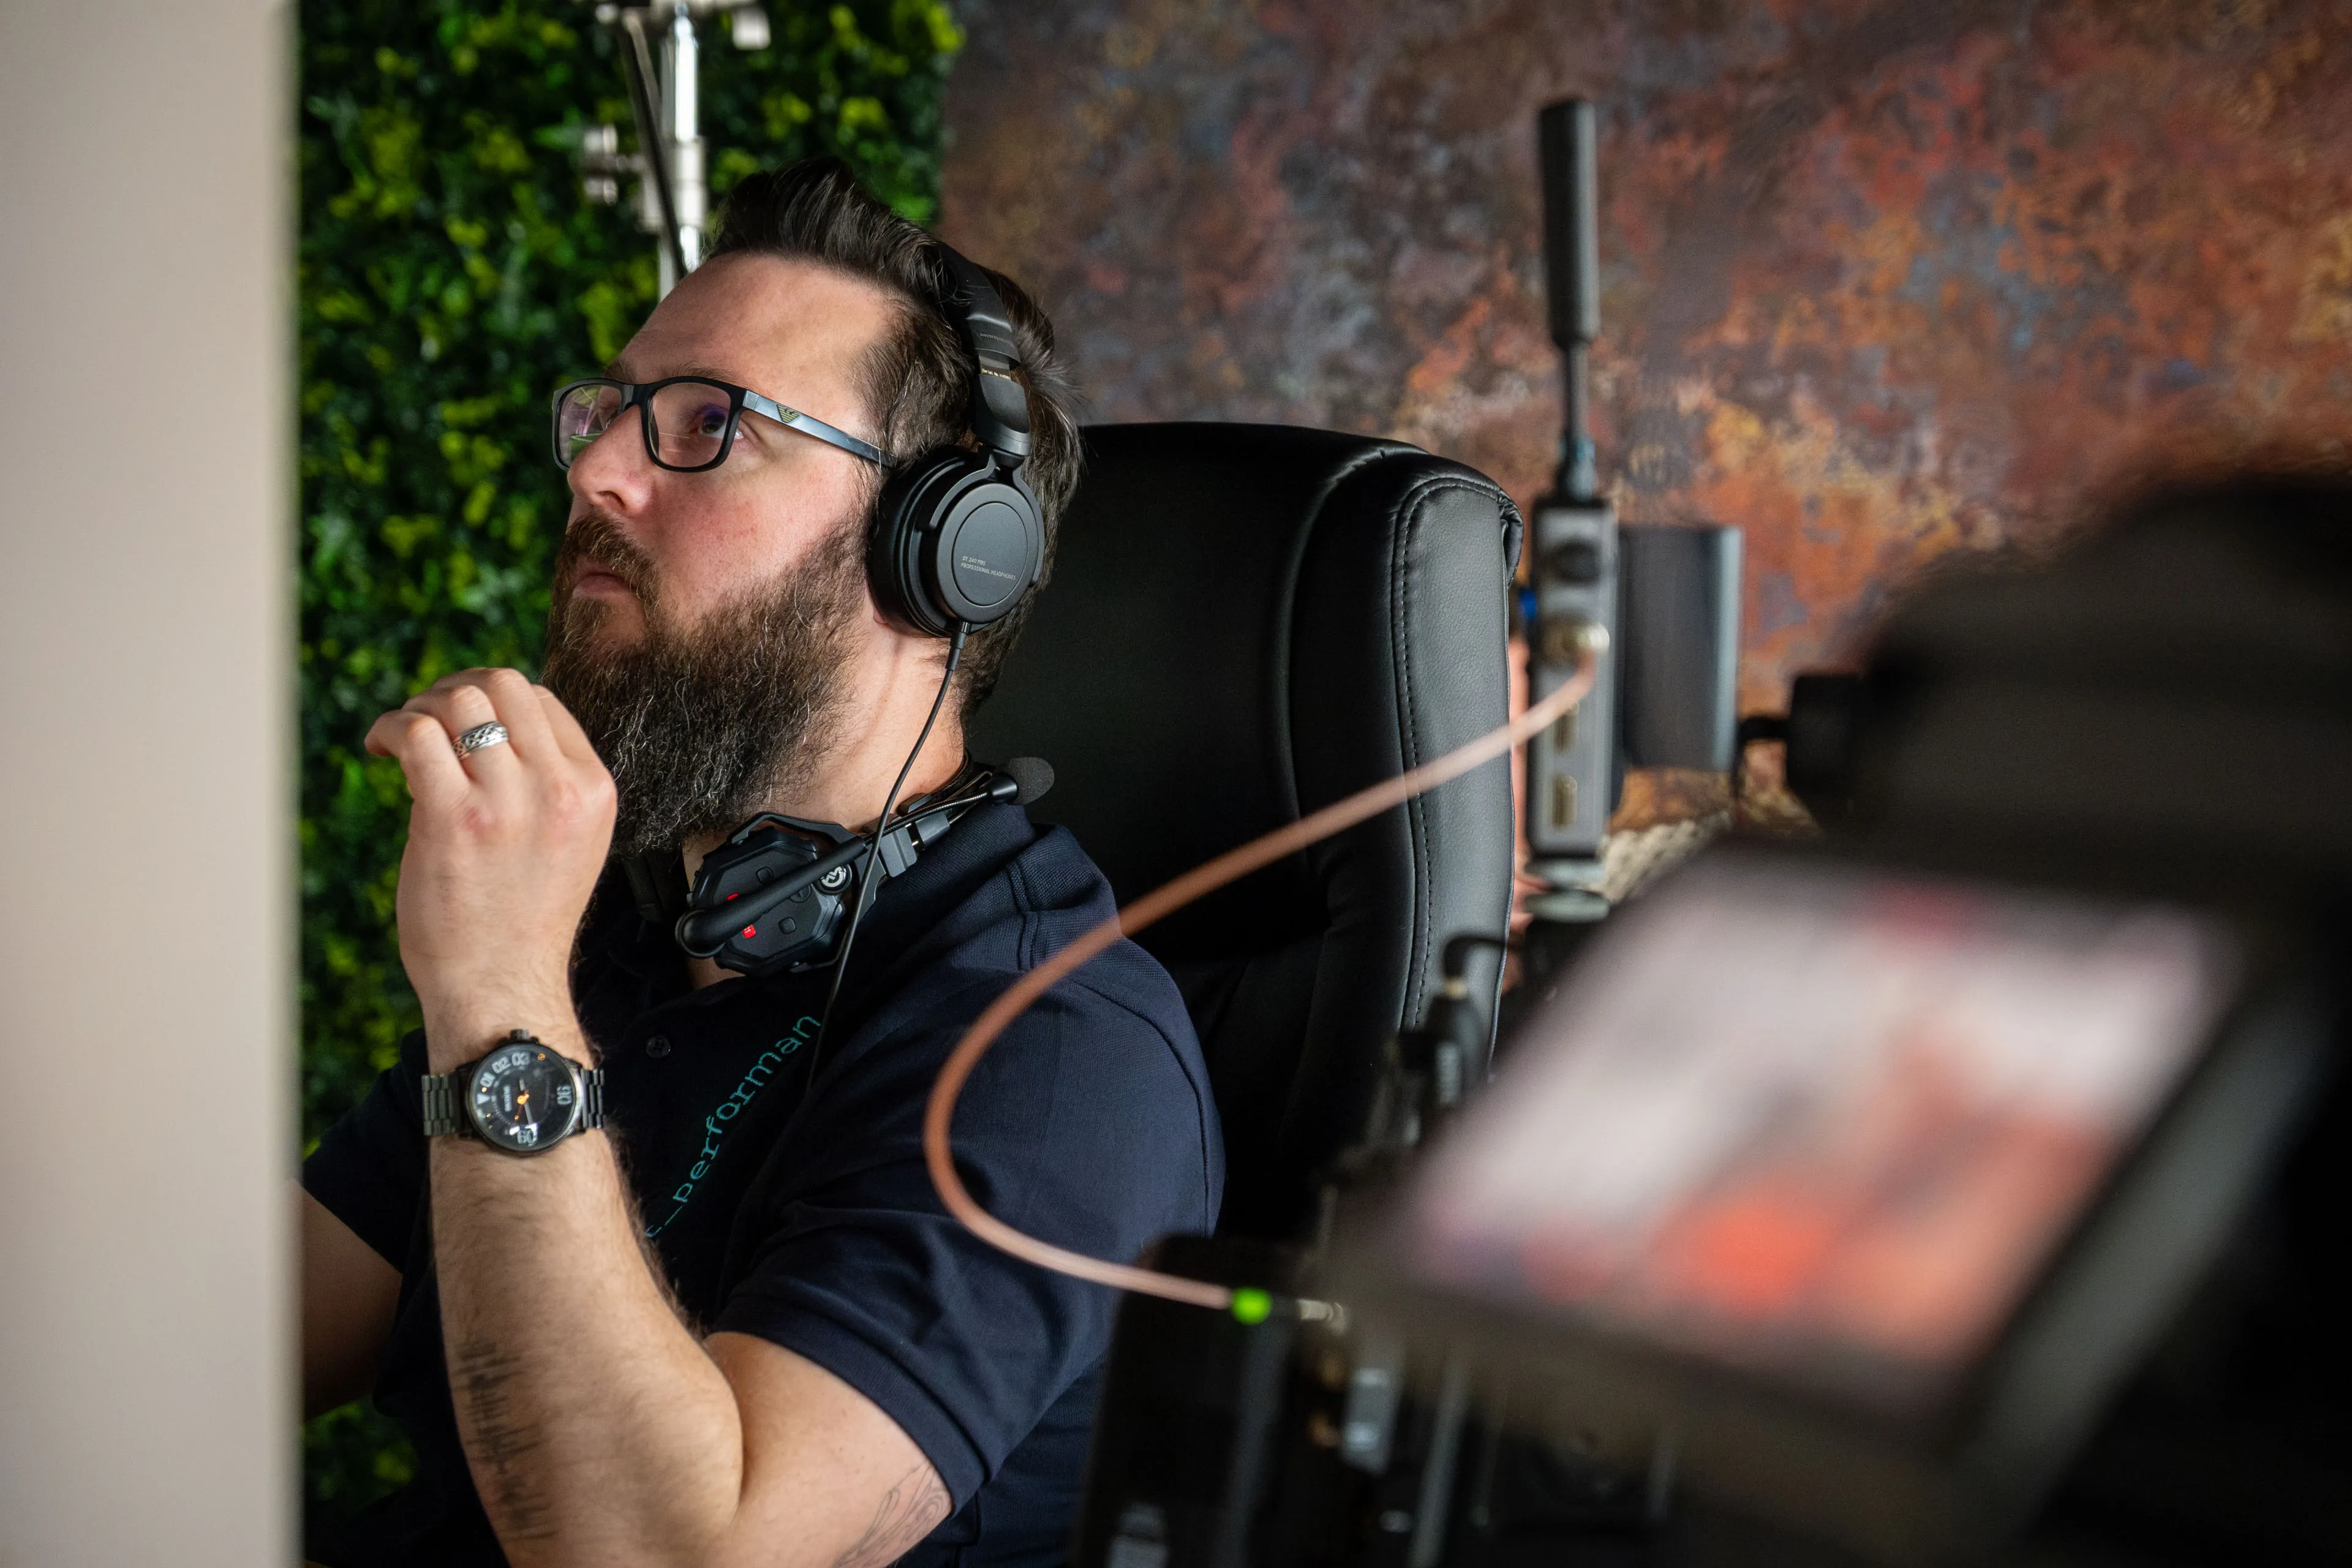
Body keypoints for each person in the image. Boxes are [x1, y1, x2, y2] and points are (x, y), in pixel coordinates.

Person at [299, 156, 1223, 1568]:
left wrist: (495, 994)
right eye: (611, 413)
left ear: (941, 555)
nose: (600, 471)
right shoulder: (624, 916)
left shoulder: (1057, 1054)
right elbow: (242, 1338)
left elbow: (677, 1554)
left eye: (708, 426)